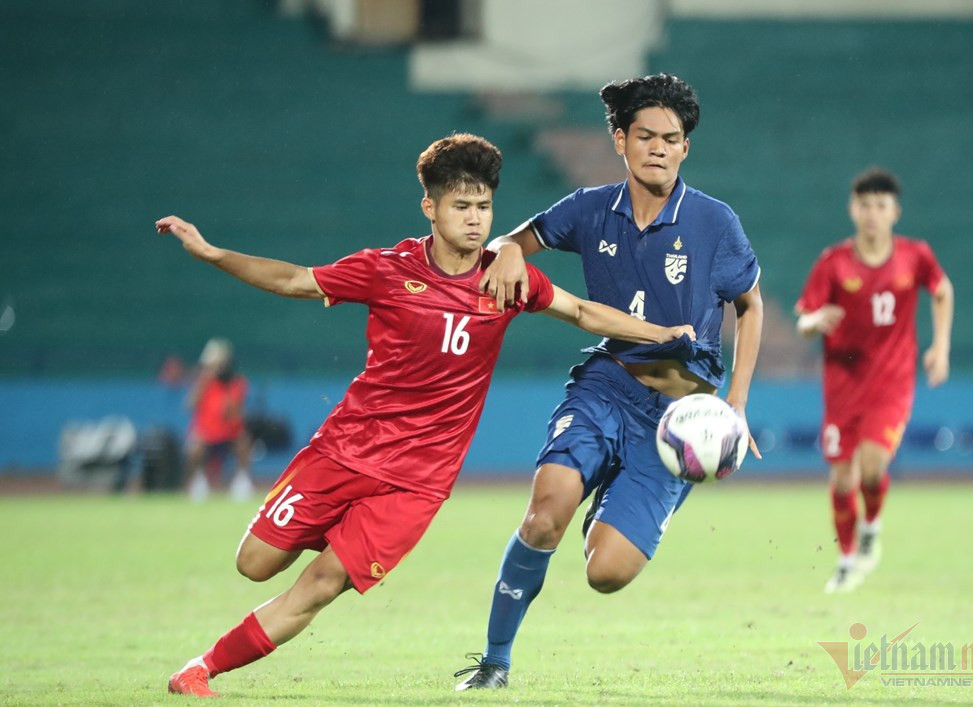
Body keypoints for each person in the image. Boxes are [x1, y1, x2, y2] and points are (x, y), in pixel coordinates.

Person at [155, 133, 694, 698]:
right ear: (430, 207)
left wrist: (660, 333)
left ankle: (200, 670)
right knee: (255, 563)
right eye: (461, 206)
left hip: (417, 482)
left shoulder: (506, 280)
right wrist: (213, 253)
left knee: (322, 584)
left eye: (484, 206)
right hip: (344, 450)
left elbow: (581, 311)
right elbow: (295, 280)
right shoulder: (385, 270)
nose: (475, 219)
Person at [454, 73, 764, 690]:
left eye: (671, 139)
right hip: (607, 385)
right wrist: (509, 248)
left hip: (679, 417)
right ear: (621, 140)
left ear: (685, 148)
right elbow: (515, 240)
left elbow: (749, 305)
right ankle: (494, 662)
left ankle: (616, 500)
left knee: (606, 573)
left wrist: (736, 403)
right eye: (645, 136)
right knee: (546, 511)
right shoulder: (589, 208)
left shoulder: (714, 222)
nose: (659, 149)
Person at [795, 167, 954, 593]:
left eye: (880, 206)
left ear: (894, 212)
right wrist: (816, 321)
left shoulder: (915, 256)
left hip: (892, 383)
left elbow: (942, 290)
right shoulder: (833, 262)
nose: (872, 214)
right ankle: (847, 560)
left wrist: (941, 346)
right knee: (842, 480)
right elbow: (804, 319)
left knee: (871, 466)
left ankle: (872, 526)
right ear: (853, 209)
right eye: (864, 205)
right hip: (842, 386)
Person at [183, 337, 254, 502]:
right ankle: (199, 482)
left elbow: (233, 413)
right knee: (194, 447)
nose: (213, 369)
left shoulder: (236, 382)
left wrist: (227, 389)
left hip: (230, 434)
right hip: (206, 434)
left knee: (244, 442)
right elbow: (189, 405)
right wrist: (203, 383)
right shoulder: (203, 383)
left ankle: (241, 482)